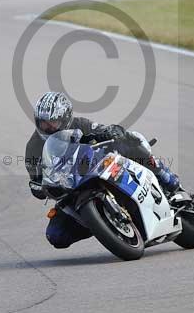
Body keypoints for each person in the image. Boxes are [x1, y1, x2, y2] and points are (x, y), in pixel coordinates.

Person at [25, 91, 181, 249]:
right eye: (43, 123)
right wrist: (39, 187)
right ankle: (100, 222)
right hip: (69, 188)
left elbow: (103, 130)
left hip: (95, 168)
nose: (48, 127)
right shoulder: (33, 147)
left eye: (54, 123)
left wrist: (111, 131)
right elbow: (36, 179)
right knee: (56, 235)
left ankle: (163, 174)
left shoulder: (80, 124)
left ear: (66, 118)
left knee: (128, 140)